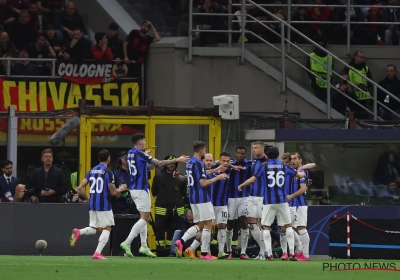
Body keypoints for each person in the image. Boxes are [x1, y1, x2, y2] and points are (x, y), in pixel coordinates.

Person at [119, 133, 189, 258]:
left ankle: (144, 246)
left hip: (134, 189)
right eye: (144, 141)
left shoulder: (130, 153)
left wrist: (146, 155)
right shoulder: (140, 153)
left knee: (143, 218)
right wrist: (177, 159)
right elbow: (159, 163)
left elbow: (141, 163)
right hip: (141, 189)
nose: (145, 142)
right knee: (144, 218)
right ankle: (127, 242)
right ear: (140, 143)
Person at [238, 146, 306, 261]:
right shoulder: (283, 165)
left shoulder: (264, 166)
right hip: (282, 200)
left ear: (267, 156)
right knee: (288, 225)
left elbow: (253, 179)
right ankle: (292, 253)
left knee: (266, 226)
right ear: (278, 155)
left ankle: (269, 254)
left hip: (269, 201)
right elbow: (298, 175)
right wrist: (303, 175)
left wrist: (242, 185)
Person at [175, 141, 228, 260]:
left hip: (193, 198)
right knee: (208, 224)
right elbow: (203, 183)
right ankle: (204, 253)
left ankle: (181, 241)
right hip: (202, 197)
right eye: (205, 149)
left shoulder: (190, 163)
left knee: (199, 224)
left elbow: (198, 175)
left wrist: (215, 171)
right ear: (201, 150)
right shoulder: (199, 163)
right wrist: (218, 177)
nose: (205, 151)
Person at [69, 149, 127, 260]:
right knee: (107, 228)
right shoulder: (108, 173)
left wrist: (88, 198)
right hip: (104, 205)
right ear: (109, 158)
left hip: (93, 205)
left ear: (98, 159)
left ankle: (78, 232)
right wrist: (122, 189)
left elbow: (80, 188)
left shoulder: (91, 171)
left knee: (97, 228)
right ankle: (97, 253)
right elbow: (113, 192)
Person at [152, 154, 186, 249]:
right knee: (159, 231)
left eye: (174, 163)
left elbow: (184, 193)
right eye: (170, 163)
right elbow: (154, 192)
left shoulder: (180, 177)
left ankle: (170, 250)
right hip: (161, 210)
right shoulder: (159, 177)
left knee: (172, 232)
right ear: (166, 164)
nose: (171, 165)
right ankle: (160, 251)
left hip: (175, 211)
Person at [226, 146, 253, 259]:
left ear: (245, 154)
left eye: (243, 153)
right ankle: (228, 251)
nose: (241, 155)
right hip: (231, 198)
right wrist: (232, 166)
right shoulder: (230, 164)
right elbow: (219, 162)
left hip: (244, 197)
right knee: (230, 223)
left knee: (244, 220)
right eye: (238, 153)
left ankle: (243, 252)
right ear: (235, 154)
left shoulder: (249, 164)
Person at [246, 141, 268, 260]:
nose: (253, 150)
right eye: (253, 147)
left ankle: (264, 252)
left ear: (262, 149)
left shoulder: (267, 162)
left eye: (256, 148)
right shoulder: (253, 160)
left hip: (262, 197)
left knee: (263, 225)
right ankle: (262, 250)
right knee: (252, 223)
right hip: (251, 195)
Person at [288, 152, 311, 261]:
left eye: (295, 158)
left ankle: (306, 255)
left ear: (300, 160)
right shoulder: (293, 172)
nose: (293, 161)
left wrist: (291, 196)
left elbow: (302, 189)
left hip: (300, 204)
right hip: (293, 205)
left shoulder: (303, 171)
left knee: (301, 227)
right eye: (292, 159)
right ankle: (300, 250)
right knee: (292, 227)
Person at [209, 151, 232, 259]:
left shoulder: (230, 170)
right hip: (210, 204)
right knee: (207, 227)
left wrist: (230, 165)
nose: (225, 163)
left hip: (223, 204)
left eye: (227, 161)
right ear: (219, 160)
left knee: (222, 226)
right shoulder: (212, 167)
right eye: (223, 160)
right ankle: (206, 251)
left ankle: (221, 251)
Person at [344, 50, 373, 114]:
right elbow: (343, 81)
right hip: (354, 97)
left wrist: (363, 85)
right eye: (361, 57)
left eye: (363, 57)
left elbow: (371, 83)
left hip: (365, 97)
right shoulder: (348, 67)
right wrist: (351, 85)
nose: (363, 59)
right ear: (355, 57)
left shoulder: (366, 68)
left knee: (365, 116)